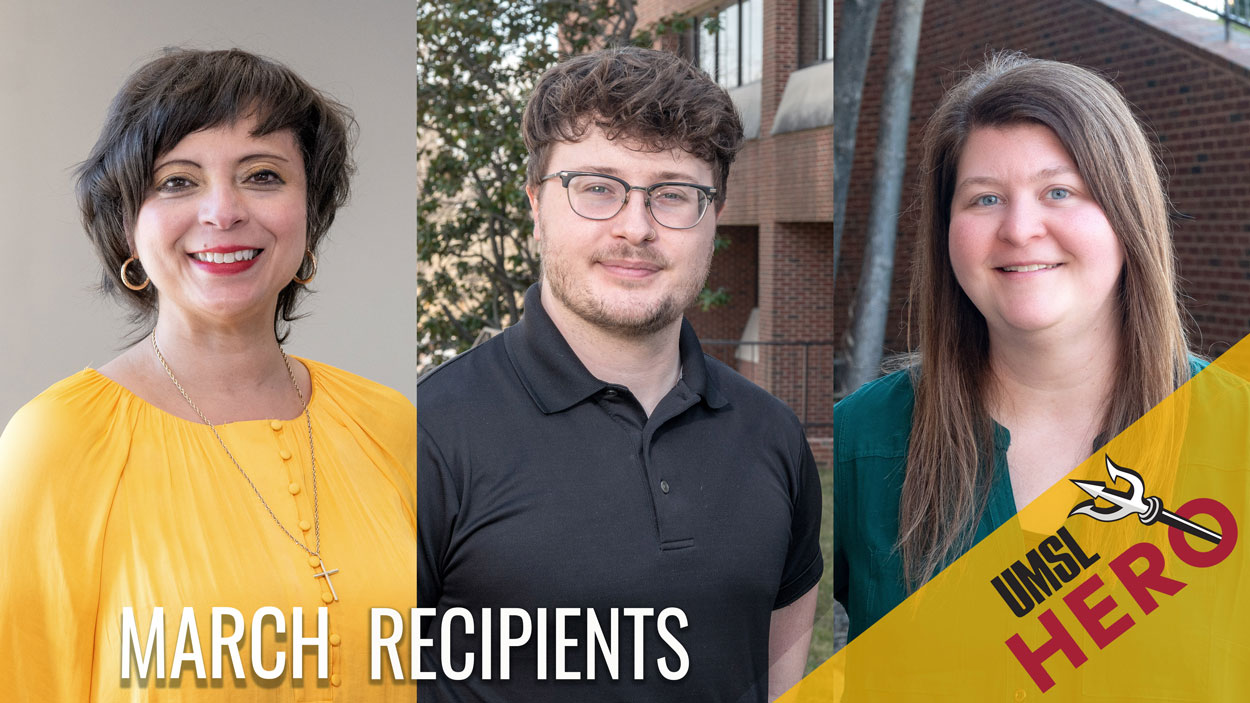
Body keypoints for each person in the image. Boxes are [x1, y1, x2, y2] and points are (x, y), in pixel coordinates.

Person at [0, 49, 416, 699]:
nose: (223, 211)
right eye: (177, 181)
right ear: (128, 227)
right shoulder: (56, 441)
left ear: (309, 214)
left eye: (263, 175)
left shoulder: (394, 425)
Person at [418, 47, 823, 702]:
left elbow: (779, 673)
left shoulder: (772, 435)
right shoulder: (423, 435)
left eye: (673, 194)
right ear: (536, 206)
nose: (635, 228)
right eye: (597, 188)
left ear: (714, 217)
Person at [833, 52, 1203, 642]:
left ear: (1127, 214)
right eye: (984, 198)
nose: (1019, 228)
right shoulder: (861, 441)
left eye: (1059, 191)